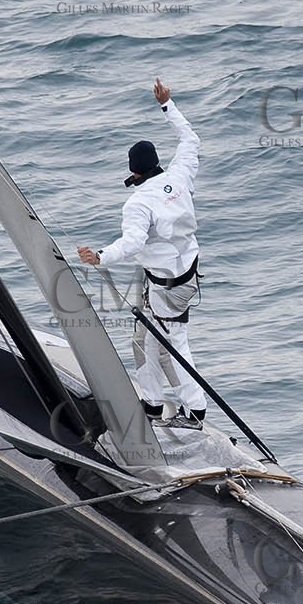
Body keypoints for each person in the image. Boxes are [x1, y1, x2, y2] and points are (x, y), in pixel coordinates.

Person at [77, 78, 206, 425]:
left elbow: (132, 243)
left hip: (167, 290)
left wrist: (100, 257)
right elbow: (189, 139)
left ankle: (195, 411)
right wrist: (167, 105)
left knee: (174, 345)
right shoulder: (179, 175)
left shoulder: (138, 203)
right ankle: (151, 403)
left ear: (133, 171)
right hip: (186, 276)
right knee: (144, 339)